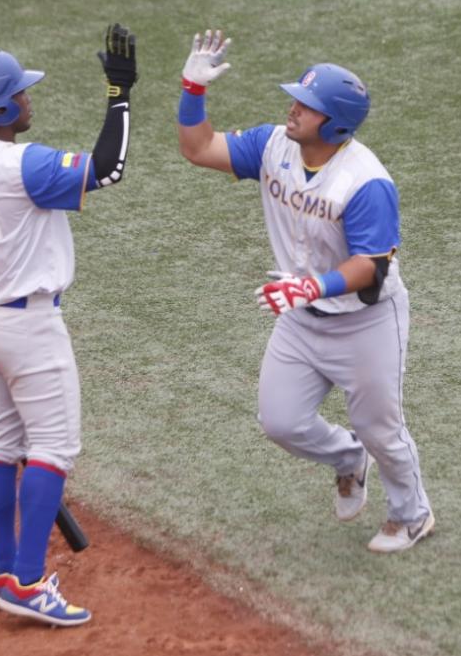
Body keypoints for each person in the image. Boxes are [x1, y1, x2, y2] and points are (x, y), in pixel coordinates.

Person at [175, 30, 434, 553]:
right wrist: (191, 89)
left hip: (366, 323)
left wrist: (311, 285)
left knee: (381, 428)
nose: (292, 109)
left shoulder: (365, 182)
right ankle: (346, 457)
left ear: (334, 123)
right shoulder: (274, 146)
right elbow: (198, 148)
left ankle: (412, 514)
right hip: (300, 313)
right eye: (297, 99)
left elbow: (371, 264)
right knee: (280, 421)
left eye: (306, 105)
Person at [0, 24, 137, 626]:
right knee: (52, 447)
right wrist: (119, 95)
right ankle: (24, 582)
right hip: (27, 327)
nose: (28, 99)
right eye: (20, 93)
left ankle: (5, 573)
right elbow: (107, 169)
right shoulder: (24, 166)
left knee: (0, 444)